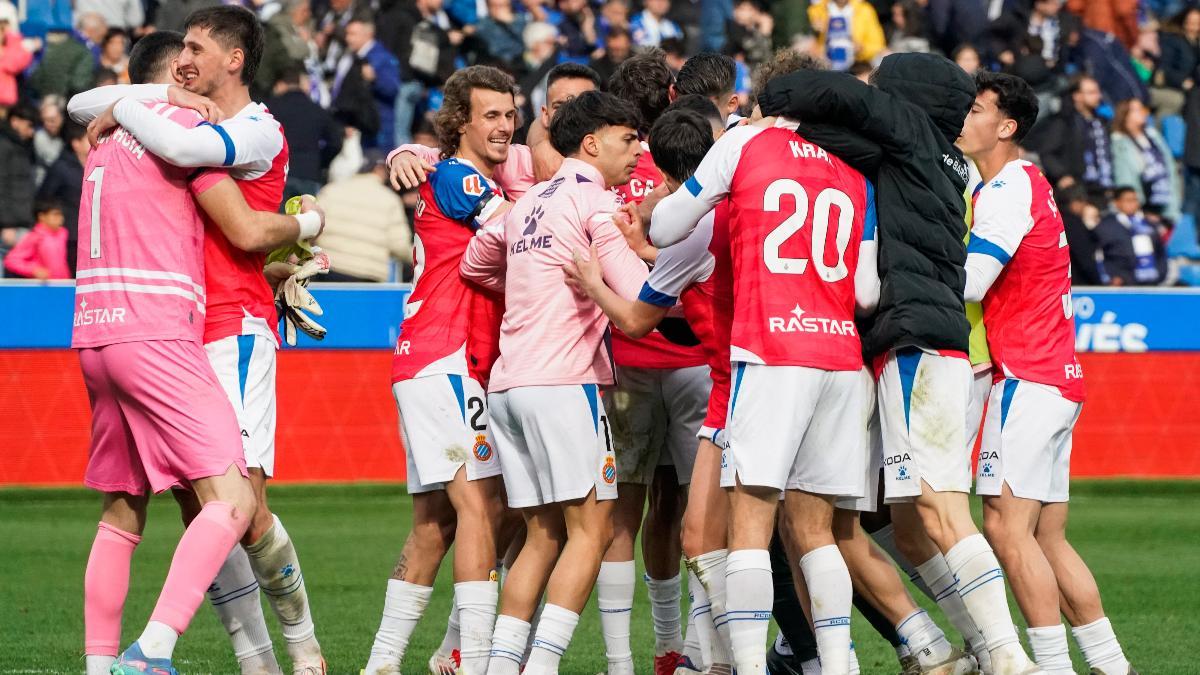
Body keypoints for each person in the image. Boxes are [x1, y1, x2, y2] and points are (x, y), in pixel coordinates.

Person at [755, 53, 1042, 675]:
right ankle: (987, 650)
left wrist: (773, 102)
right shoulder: (947, 163)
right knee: (911, 524)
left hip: (913, 340)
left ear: (903, 98)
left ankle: (1012, 659)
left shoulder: (906, 131)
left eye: (881, 89)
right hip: (931, 342)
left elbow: (821, 96)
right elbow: (851, 139)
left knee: (941, 511)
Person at [69, 9, 327, 672]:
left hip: (225, 327)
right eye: (178, 49)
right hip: (171, 329)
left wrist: (306, 225)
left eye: (196, 47)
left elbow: (239, 231)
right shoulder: (177, 122)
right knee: (202, 508)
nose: (185, 59)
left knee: (246, 509)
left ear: (235, 58)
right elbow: (90, 105)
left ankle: (301, 646)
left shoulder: (249, 127)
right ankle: (255, 659)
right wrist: (144, 99)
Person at [649, 69, 881, 675]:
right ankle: (839, 666)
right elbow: (865, 292)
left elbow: (667, 227)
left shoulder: (743, 144)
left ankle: (748, 668)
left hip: (771, 351)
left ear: (764, 105)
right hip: (838, 357)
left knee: (749, 525)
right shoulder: (851, 168)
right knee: (818, 531)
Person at [457, 89, 645, 675]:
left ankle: (501, 665)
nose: (638, 149)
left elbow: (474, 263)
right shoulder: (596, 205)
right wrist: (644, 248)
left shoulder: (527, 201)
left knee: (541, 534)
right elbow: (640, 296)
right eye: (628, 137)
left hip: (511, 386)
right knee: (592, 530)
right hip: (565, 383)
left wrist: (526, 286)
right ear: (592, 143)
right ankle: (540, 665)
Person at [960, 71, 1137, 675]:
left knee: (1007, 531)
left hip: (1026, 377)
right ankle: (1113, 667)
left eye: (976, 108)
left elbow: (971, 282)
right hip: (1058, 377)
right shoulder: (1030, 181)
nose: (965, 117)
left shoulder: (1006, 191)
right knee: (1046, 538)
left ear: (1005, 126)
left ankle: (1051, 668)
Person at [362, 65, 518, 675]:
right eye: (491, 116)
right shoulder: (457, 177)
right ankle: (472, 656)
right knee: (485, 502)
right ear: (460, 122)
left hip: (440, 356)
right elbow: (523, 235)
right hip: (443, 353)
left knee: (437, 522)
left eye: (510, 114)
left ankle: (383, 663)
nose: (504, 126)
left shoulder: (453, 172)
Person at [313, 152, 412, 282]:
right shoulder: (390, 199)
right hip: (368, 274)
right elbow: (399, 245)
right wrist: (420, 258)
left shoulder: (331, 189)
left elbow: (313, 228)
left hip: (328, 270)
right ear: (380, 169)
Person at [266, 64, 344, 202]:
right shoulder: (317, 110)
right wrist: (321, 161)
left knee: (280, 221)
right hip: (309, 173)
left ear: (280, 84)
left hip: (278, 174)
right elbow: (336, 141)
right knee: (307, 219)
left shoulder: (270, 108)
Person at [1033, 75, 1114, 201]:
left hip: (1103, 188)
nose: (1098, 96)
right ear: (1077, 96)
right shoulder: (1064, 121)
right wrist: (1062, 175)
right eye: (1092, 92)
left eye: (1098, 92)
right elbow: (1047, 153)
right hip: (1078, 192)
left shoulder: (1102, 122)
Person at [1111, 97, 1182, 224]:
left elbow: (1169, 167)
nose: (1143, 113)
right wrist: (1139, 211)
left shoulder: (1153, 135)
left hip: (1166, 204)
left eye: (1142, 109)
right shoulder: (1120, 142)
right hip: (1143, 209)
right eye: (1137, 110)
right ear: (1125, 115)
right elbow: (1126, 180)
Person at [334, 20, 400, 150]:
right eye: (347, 34)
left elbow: (392, 89)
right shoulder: (349, 57)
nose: (348, 38)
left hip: (377, 126)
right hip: (356, 125)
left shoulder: (382, 57)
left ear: (368, 35)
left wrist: (375, 79)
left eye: (353, 34)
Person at [37, 120, 89, 273]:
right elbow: (44, 196)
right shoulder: (61, 168)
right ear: (76, 143)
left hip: (91, 236)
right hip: (68, 236)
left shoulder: (98, 164)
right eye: (88, 138)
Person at [1094, 186, 1169, 285]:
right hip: (1122, 285)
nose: (1133, 204)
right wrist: (1111, 277)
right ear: (1117, 203)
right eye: (1128, 200)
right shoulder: (1106, 227)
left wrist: (1160, 273)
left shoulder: (1149, 225)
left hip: (1150, 283)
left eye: (1135, 200)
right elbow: (1098, 255)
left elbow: (1161, 253)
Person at [0, 101, 37, 271]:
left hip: (22, 222)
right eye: (29, 126)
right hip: (8, 228)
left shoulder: (23, 148)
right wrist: (6, 224)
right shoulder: (4, 147)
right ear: (15, 121)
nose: (32, 132)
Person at [806, 0, 886, 71]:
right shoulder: (818, 9)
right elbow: (810, 36)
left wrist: (862, 49)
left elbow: (877, 44)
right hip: (824, 63)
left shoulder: (865, 10)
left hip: (856, 65)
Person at [3, 198, 70, 279]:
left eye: (61, 215)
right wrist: (34, 270)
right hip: (44, 287)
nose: (60, 218)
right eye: (55, 214)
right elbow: (11, 260)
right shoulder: (35, 236)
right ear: (41, 216)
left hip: (64, 285)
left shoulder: (63, 233)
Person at [672, 52, 741, 126]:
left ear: (731, 104)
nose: (691, 122)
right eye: (683, 109)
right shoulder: (665, 131)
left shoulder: (746, 135)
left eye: (703, 113)